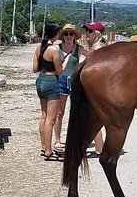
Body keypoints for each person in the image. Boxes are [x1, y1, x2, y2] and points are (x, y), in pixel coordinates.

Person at [33, 23, 69, 161]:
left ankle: (43, 147)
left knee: (44, 116)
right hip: (51, 82)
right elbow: (60, 71)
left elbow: (35, 68)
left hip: (41, 80)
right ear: (56, 33)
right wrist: (66, 60)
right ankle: (49, 150)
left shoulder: (39, 48)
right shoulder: (54, 50)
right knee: (51, 119)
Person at [53, 23, 88, 153]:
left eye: (71, 34)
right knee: (59, 113)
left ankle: (75, 139)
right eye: (66, 34)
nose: (68, 36)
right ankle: (57, 140)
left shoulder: (79, 49)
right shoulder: (57, 48)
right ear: (63, 36)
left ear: (74, 36)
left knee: (76, 112)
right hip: (60, 80)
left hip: (74, 80)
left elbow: (91, 57)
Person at [83, 22, 107, 156]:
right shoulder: (99, 46)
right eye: (86, 30)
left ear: (97, 33)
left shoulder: (97, 47)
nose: (87, 33)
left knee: (93, 118)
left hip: (96, 89)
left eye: (90, 31)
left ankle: (98, 147)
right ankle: (99, 147)